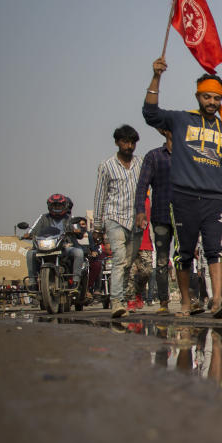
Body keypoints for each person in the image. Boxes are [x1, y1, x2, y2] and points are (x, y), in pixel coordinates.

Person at [142, 57, 222, 318]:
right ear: (198, 97)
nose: (211, 103)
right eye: (207, 97)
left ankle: (217, 301)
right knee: (184, 253)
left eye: (216, 98)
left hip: (215, 199)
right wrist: (156, 77)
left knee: (214, 251)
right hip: (183, 197)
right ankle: (186, 303)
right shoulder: (181, 119)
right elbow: (150, 114)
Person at [93, 124, 142, 318]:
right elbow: (100, 196)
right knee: (119, 260)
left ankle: (122, 298)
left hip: (136, 220)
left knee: (129, 263)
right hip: (115, 218)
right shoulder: (107, 165)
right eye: (125, 142)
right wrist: (98, 226)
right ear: (117, 142)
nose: (129, 146)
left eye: (132, 143)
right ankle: (116, 302)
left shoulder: (141, 163)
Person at [135, 128, 173, 313]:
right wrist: (140, 211)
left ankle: (188, 301)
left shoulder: (188, 156)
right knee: (162, 261)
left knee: (185, 258)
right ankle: (164, 302)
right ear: (165, 132)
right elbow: (142, 185)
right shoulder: (154, 156)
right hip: (161, 216)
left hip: (185, 216)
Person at [23, 194, 84, 292]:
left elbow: (77, 229)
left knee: (79, 253)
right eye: (54, 206)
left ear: (65, 206)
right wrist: (27, 234)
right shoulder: (43, 217)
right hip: (44, 248)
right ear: (49, 206)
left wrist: (76, 231)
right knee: (30, 254)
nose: (57, 208)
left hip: (64, 247)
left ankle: (76, 281)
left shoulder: (70, 218)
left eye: (59, 205)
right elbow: (33, 230)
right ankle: (32, 282)